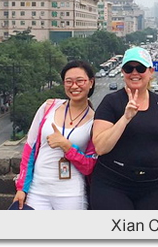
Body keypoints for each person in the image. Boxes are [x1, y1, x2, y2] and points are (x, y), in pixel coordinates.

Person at [90, 47, 158, 210]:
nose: (134, 73)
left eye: (140, 68)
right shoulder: (111, 102)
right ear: (123, 72)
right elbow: (101, 147)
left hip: (154, 185)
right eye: (128, 68)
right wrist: (125, 118)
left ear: (151, 71)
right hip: (113, 184)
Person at [13, 60, 98, 210]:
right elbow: (29, 149)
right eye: (69, 81)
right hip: (37, 189)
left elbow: (89, 165)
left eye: (80, 81)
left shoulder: (95, 121)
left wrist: (67, 146)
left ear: (91, 82)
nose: (74, 86)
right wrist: (22, 188)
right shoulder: (48, 107)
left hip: (71, 193)